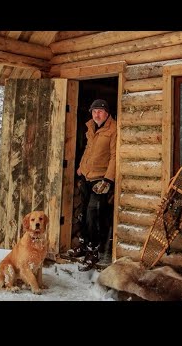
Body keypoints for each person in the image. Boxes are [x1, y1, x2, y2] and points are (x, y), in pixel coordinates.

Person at [68, 99, 116, 271]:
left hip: (101, 179)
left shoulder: (113, 129)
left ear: (107, 113)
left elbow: (114, 156)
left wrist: (108, 179)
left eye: (100, 111)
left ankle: (93, 251)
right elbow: (89, 150)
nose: (97, 114)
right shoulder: (91, 127)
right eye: (94, 111)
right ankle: (83, 244)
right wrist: (81, 167)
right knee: (82, 213)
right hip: (87, 177)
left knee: (92, 214)